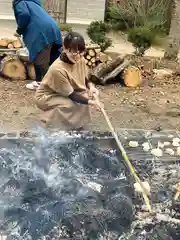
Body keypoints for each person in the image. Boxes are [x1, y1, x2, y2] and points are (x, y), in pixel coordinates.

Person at [35, 32, 104, 130]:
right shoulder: (57, 69)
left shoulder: (81, 59)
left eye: (81, 52)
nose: (77, 56)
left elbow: (85, 78)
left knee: (85, 96)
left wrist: (91, 87)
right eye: (73, 52)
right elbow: (71, 95)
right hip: (47, 96)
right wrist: (92, 102)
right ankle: (51, 125)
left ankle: (76, 125)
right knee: (70, 104)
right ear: (65, 49)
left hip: (65, 91)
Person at [12, 0, 62, 90]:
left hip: (40, 30)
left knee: (40, 58)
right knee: (48, 57)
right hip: (51, 27)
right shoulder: (32, 2)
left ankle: (45, 86)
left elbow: (24, 14)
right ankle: (43, 82)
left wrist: (19, 30)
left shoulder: (21, 2)